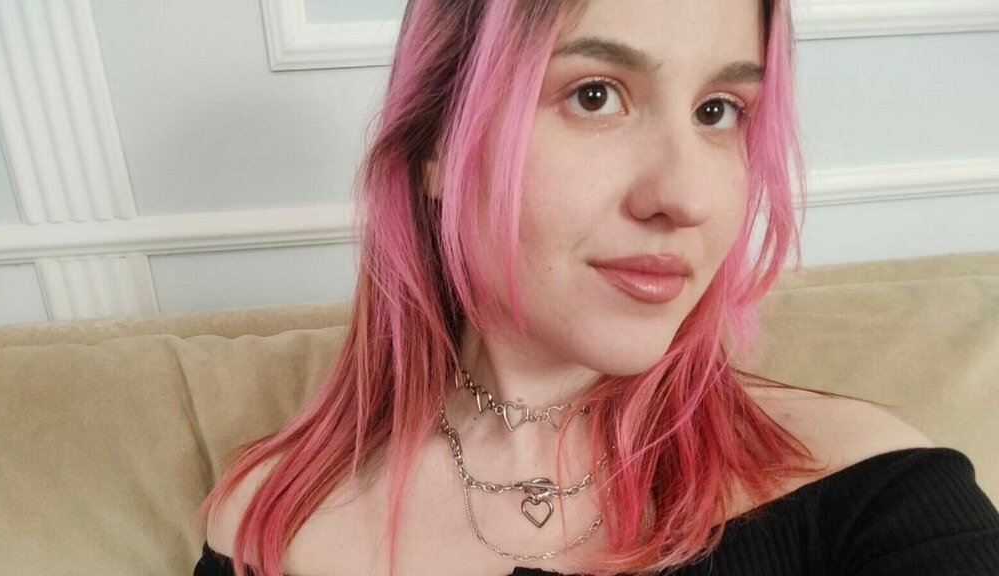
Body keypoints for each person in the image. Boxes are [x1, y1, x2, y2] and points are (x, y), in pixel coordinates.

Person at [194, 0, 999, 574]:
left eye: (718, 111)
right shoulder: (270, 524)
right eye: (595, 95)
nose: (684, 197)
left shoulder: (876, 495)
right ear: (438, 142)